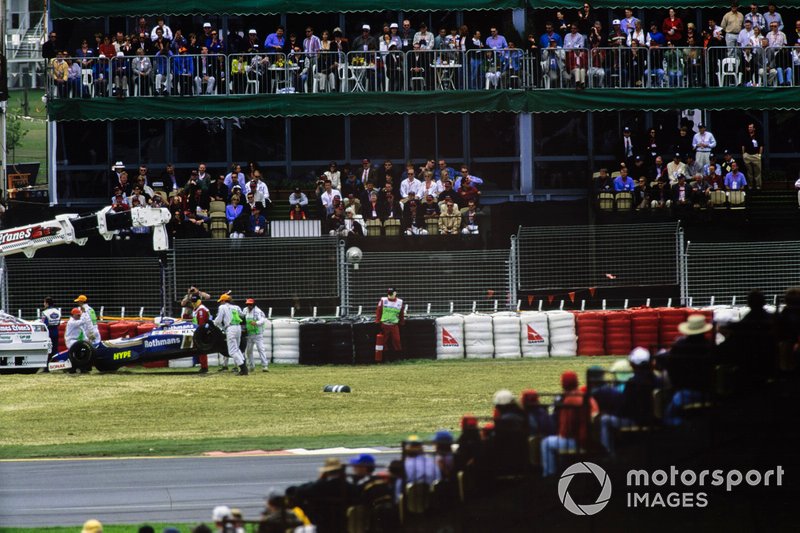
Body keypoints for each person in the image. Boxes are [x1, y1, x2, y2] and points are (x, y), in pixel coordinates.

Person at [214, 293, 248, 375]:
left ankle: (243, 368)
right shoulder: (236, 307)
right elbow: (242, 315)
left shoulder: (222, 307)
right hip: (238, 328)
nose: (220, 303)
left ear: (223, 301)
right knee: (237, 348)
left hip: (230, 328)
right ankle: (244, 366)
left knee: (232, 351)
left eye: (220, 301)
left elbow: (218, 319)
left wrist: (215, 323)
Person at [376, 288, 405, 360]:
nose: (390, 295)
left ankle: (398, 358)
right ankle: (386, 358)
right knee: (383, 342)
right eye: (389, 293)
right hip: (384, 325)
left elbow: (401, 313)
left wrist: (402, 322)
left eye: (392, 293)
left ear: (395, 293)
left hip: (394, 325)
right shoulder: (383, 300)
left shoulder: (400, 302)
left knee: (397, 341)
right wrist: (377, 322)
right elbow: (378, 311)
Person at [188, 292, 212, 373]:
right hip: (199, 331)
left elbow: (201, 324)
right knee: (200, 350)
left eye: (195, 301)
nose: (194, 303)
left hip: (202, 332)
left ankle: (204, 367)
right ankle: (203, 366)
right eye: (193, 301)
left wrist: (199, 333)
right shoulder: (196, 309)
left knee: (202, 350)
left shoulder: (201, 309)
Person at [243, 298, 269, 372]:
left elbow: (262, 320)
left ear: (253, 304)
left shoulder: (258, 311)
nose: (249, 306)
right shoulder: (244, 310)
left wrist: (256, 323)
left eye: (250, 304)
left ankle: (265, 366)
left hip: (258, 334)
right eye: (248, 304)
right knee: (248, 351)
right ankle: (251, 366)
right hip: (249, 334)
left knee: (261, 349)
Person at [41, 297, 61, 368]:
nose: (44, 304)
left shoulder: (45, 312)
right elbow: (59, 323)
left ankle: (47, 367)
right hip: (56, 331)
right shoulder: (58, 311)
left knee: (48, 349)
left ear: (47, 303)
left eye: (44, 302)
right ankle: (57, 365)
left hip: (49, 332)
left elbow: (44, 324)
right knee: (55, 349)